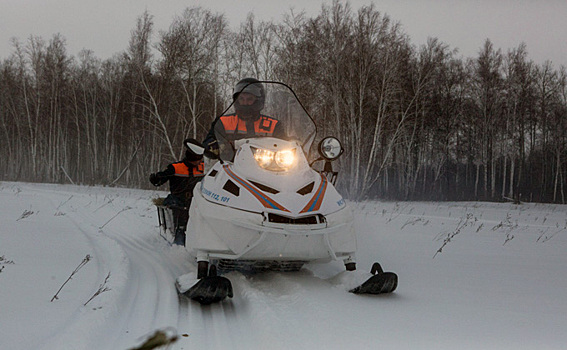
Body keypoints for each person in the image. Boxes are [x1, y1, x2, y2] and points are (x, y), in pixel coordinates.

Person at [203, 78, 286, 160]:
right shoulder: (223, 122)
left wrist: (293, 142)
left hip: (265, 167)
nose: (245, 103)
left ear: (258, 100)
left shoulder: (273, 125)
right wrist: (215, 146)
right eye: (241, 99)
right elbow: (208, 142)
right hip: (231, 166)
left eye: (249, 99)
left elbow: (284, 144)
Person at [150, 138, 205, 245]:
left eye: (200, 160)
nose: (199, 162)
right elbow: (162, 177)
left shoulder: (204, 168)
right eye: (197, 160)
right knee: (181, 220)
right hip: (179, 201)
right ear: (191, 158)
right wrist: (156, 178)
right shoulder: (175, 168)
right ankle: (180, 246)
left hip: (198, 201)